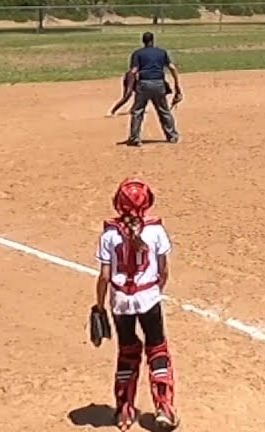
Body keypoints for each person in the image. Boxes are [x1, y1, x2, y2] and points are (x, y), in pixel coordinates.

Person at [94, 177, 178, 431]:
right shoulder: (156, 231)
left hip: (121, 302)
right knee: (157, 349)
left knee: (127, 352)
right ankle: (164, 408)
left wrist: (99, 307)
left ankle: (124, 412)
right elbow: (163, 272)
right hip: (148, 298)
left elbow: (105, 277)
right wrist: (154, 291)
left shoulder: (109, 234)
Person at [125, 32, 180, 146]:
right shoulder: (161, 52)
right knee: (163, 110)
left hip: (144, 83)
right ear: (153, 40)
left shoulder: (138, 53)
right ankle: (172, 136)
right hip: (159, 83)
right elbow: (172, 68)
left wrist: (129, 86)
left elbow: (134, 70)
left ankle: (135, 138)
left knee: (138, 111)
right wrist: (177, 85)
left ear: (143, 41)